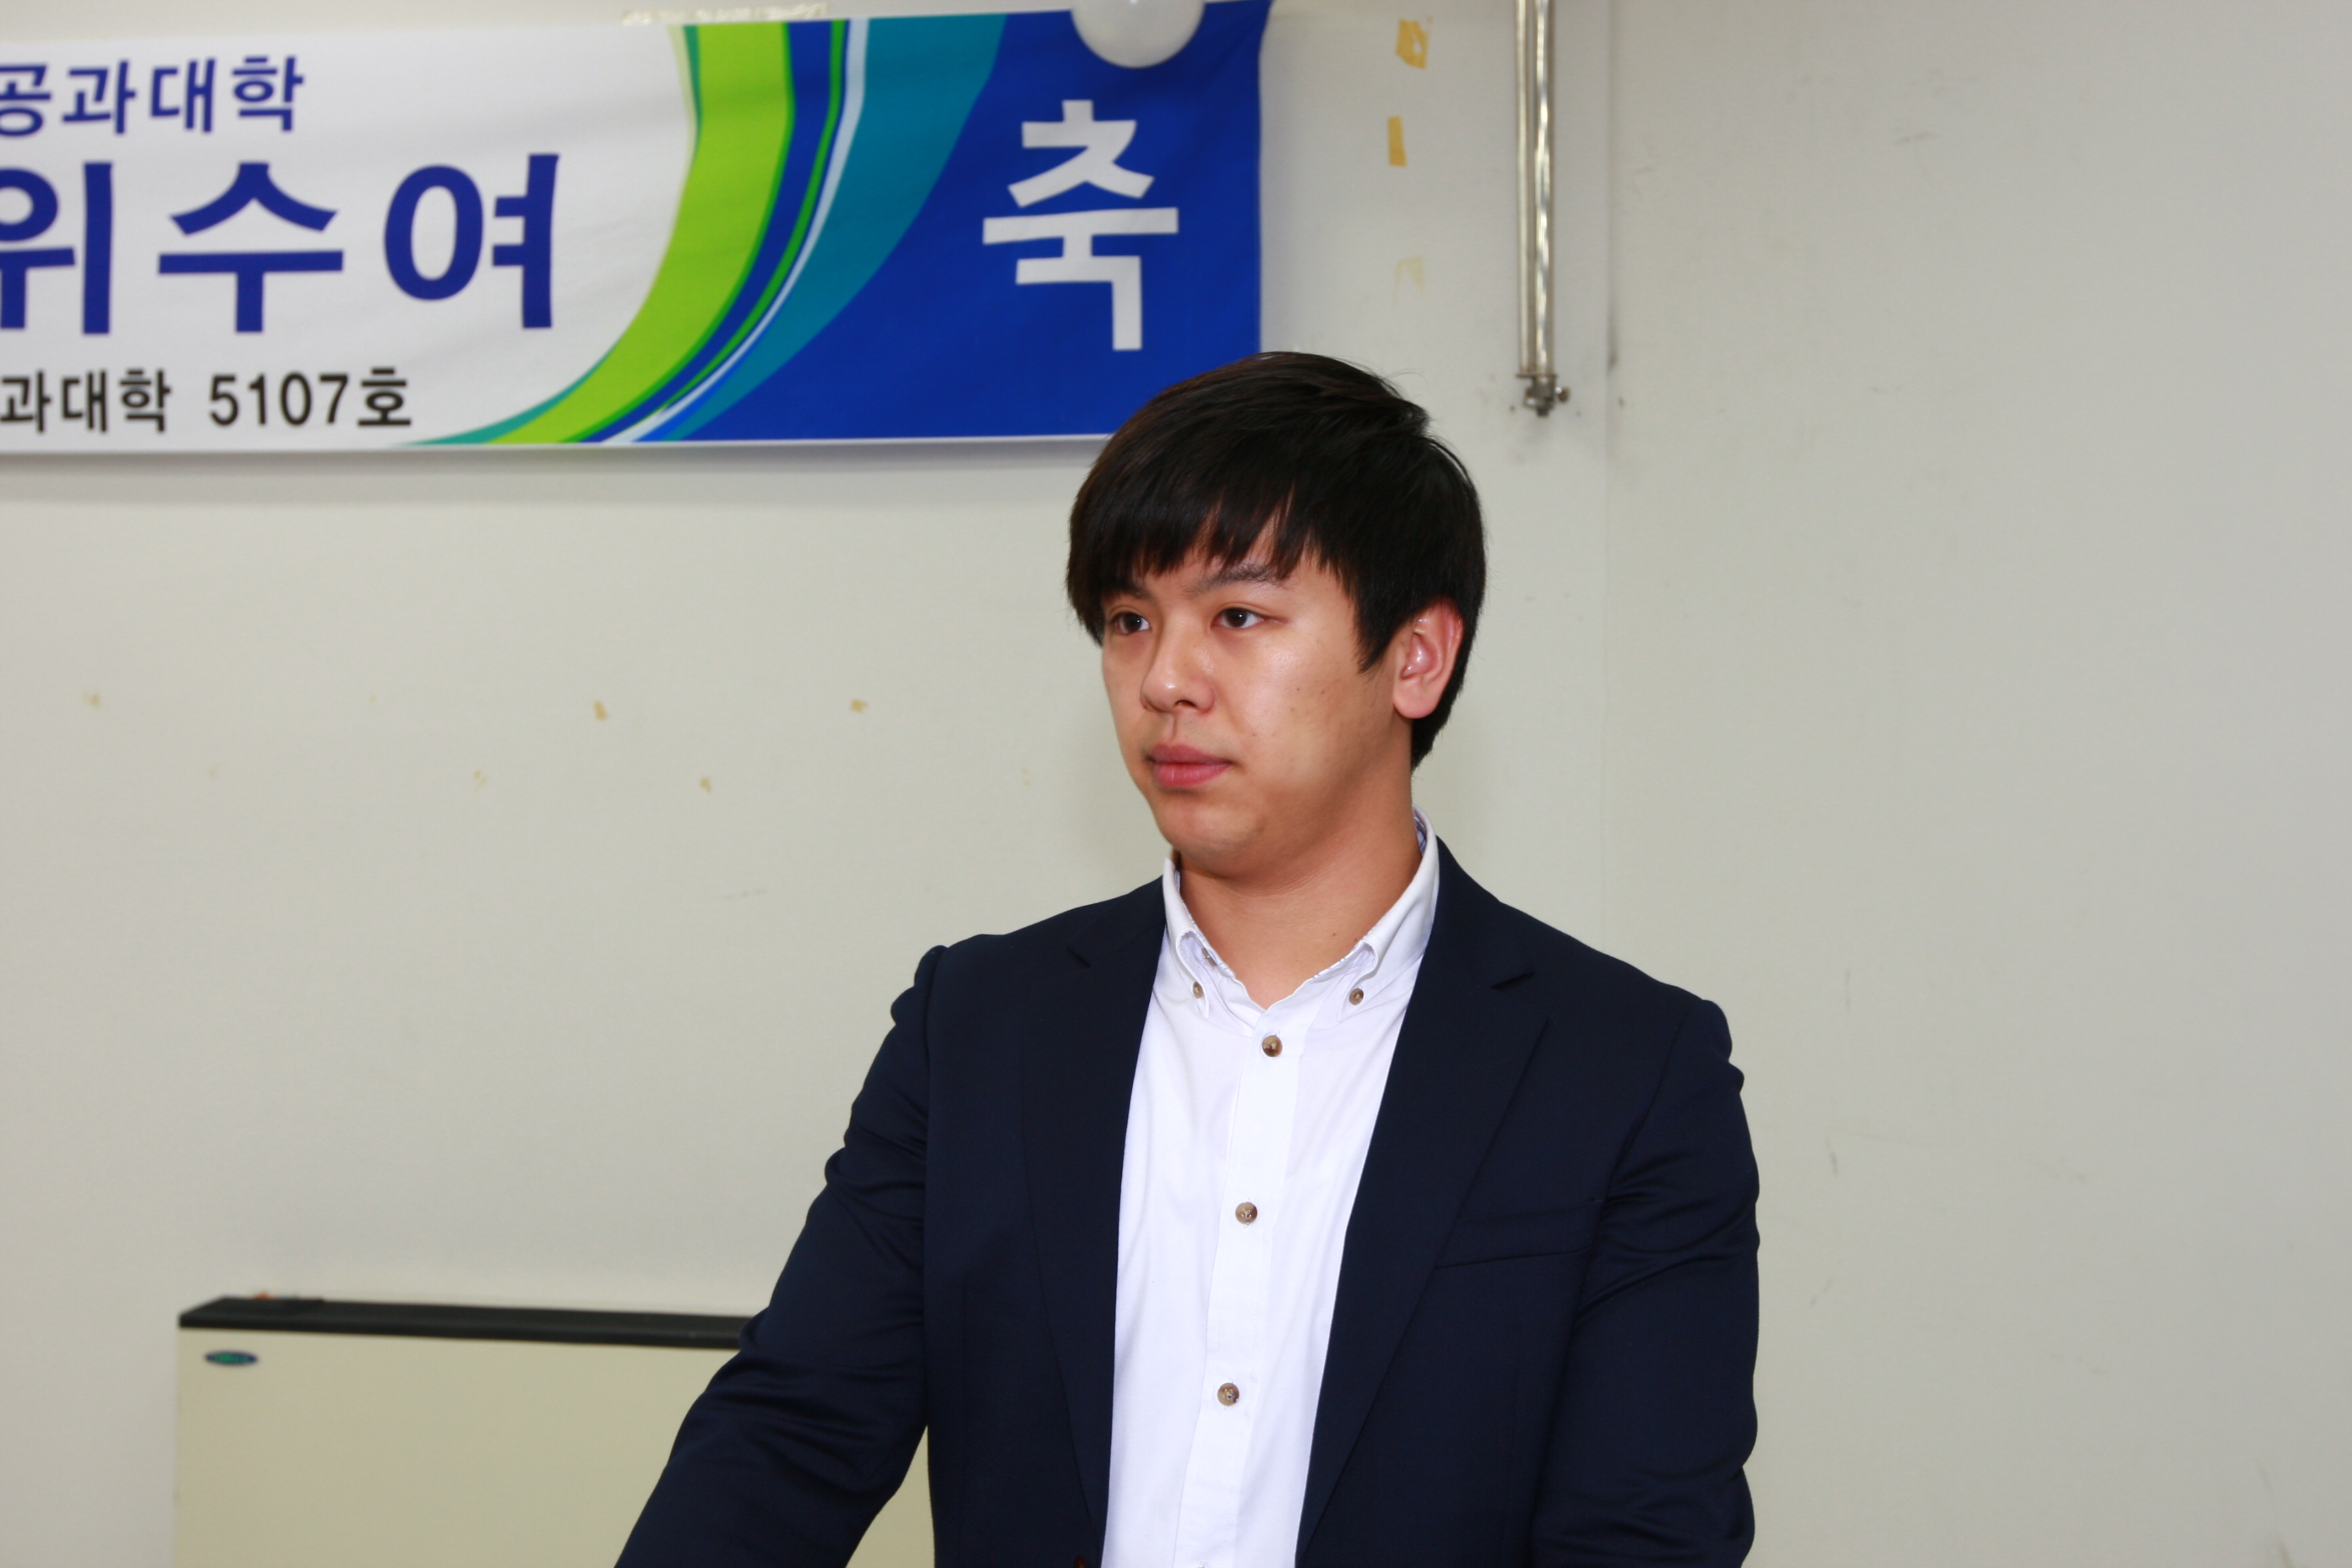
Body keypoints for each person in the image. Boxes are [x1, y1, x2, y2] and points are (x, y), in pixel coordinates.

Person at [615, 353, 1759, 1567]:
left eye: (1239, 618)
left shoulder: (1628, 1069)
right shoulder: (981, 1026)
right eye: (1129, 621)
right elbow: (792, 1433)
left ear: (1415, 658)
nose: (1164, 680)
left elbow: (1641, 1536)